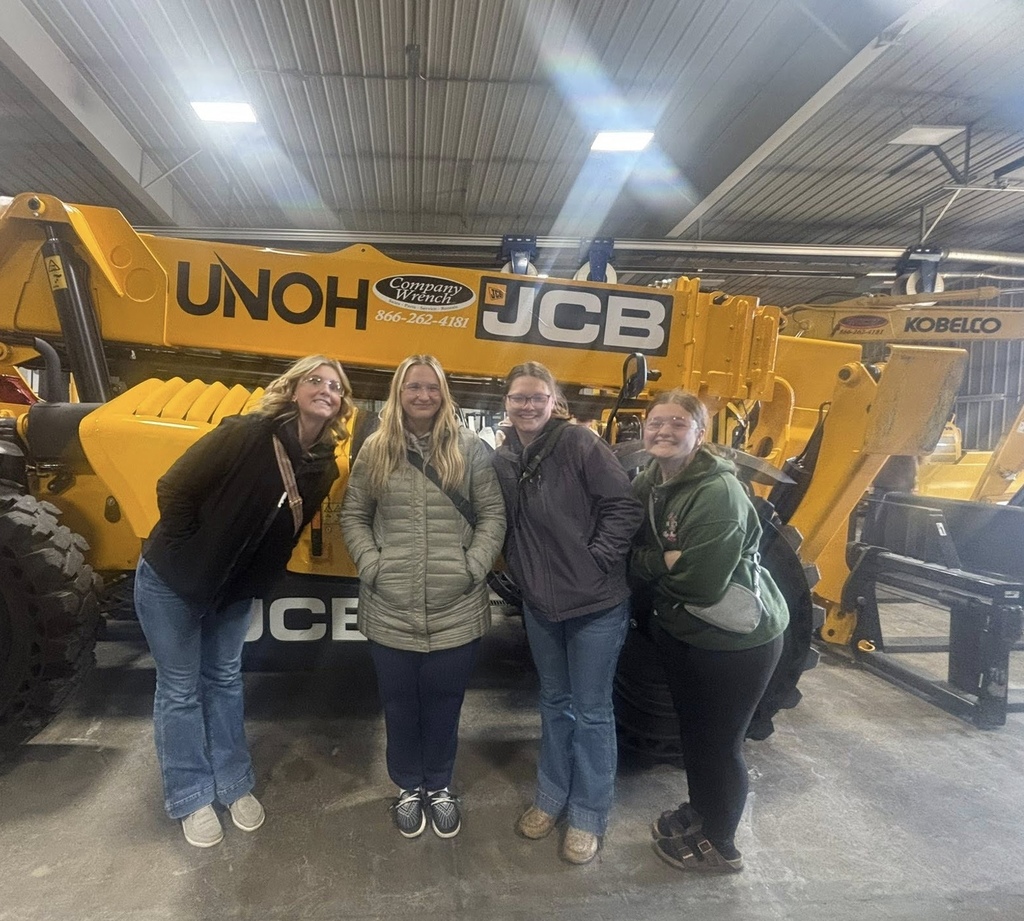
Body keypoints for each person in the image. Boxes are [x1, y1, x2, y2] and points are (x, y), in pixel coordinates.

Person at [134, 355, 354, 847]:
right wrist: (194, 556)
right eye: (315, 380)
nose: (325, 389)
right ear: (294, 389)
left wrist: (256, 581)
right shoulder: (247, 433)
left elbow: (289, 532)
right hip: (171, 582)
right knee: (179, 690)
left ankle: (234, 785)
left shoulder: (322, 466)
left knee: (225, 682)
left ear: (342, 404)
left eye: (335, 386)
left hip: (233, 594)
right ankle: (191, 796)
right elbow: (174, 487)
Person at [340, 355, 505, 839]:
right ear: (399, 392)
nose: (423, 396)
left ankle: (440, 785)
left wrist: (472, 567)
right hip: (389, 607)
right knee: (399, 704)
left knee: (445, 702)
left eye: (432, 387)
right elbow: (353, 515)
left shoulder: (470, 448)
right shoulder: (376, 449)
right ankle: (408, 786)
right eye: (414, 387)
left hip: (456, 607)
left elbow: (493, 516)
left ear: (443, 392)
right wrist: (373, 566)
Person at [629, 389, 789, 873]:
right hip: (686, 634)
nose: (664, 431)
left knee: (719, 744)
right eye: (656, 422)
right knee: (696, 738)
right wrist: (661, 561)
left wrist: (643, 564)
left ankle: (721, 844)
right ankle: (702, 814)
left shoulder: (719, 491)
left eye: (678, 423)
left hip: (734, 641)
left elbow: (699, 583)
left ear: (700, 433)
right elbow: (623, 537)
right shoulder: (651, 481)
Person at [491, 361, 643, 865]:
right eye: (519, 397)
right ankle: (550, 799)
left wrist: (593, 559)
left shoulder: (580, 444)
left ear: (554, 401)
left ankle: (587, 815)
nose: (528, 405)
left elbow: (622, 507)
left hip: (596, 604)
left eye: (538, 397)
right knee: (554, 704)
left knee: (593, 711)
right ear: (506, 403)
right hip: (541, 606)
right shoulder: (504, 457)